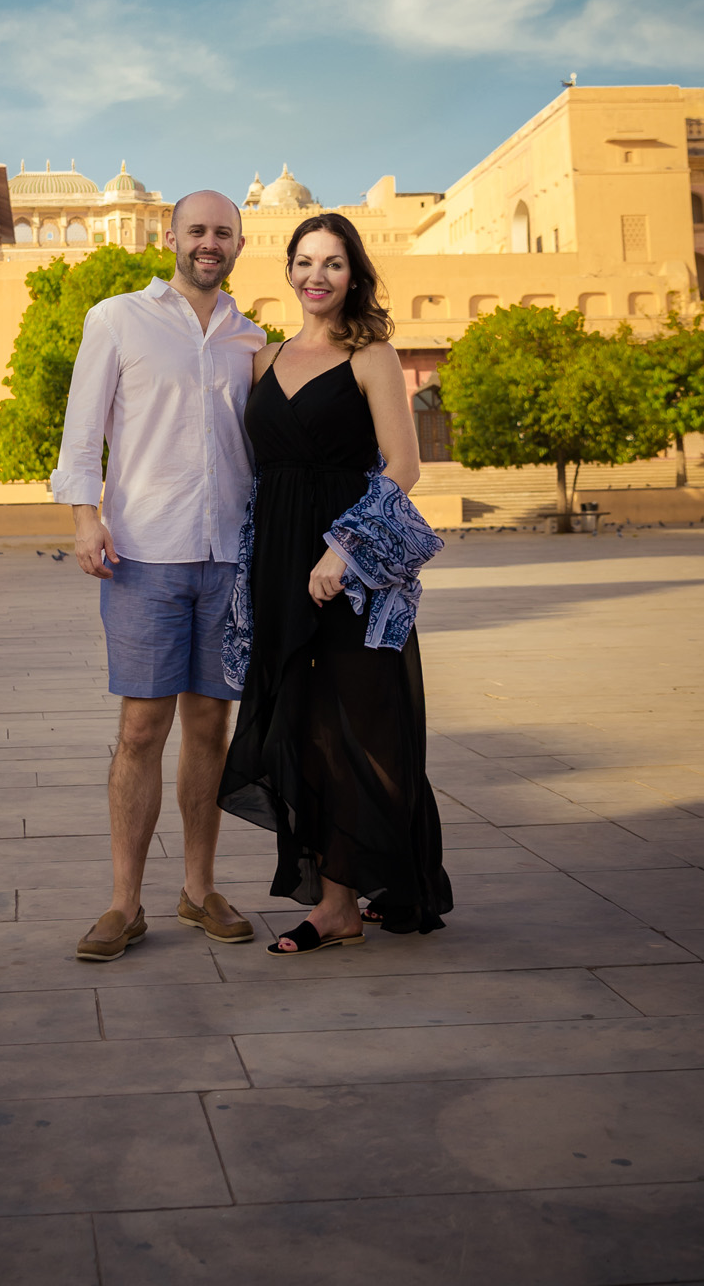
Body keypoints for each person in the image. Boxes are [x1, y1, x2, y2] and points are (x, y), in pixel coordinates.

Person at [218, 212, 453, 954]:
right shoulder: (260, 359)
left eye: (333, 263)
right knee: (305, 730)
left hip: (347, 572)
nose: (316, 275)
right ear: (286, 271)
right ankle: (337, 898)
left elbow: (402, 465)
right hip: (275, 567)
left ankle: (362, 890)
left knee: (366, 728)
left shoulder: (370, 354)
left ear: (353, 275)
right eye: (304, 261)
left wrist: (341, 552)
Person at [51, 191, 265, 962]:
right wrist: (84, 518)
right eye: (197, 231)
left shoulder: (251, 339)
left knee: (211, 727)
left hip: (229, 559)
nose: (209, 243)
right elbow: (82, 431)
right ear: (169, 236)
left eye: (223, 233)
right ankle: (122, 903)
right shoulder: (116, 318)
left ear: (240, 243)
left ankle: (199, 890)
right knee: (141, 728)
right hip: (143, 554)